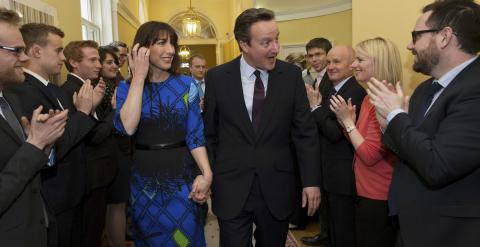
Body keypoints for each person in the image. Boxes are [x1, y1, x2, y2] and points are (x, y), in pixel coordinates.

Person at [203, 8, 321, 246]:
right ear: (244, 44)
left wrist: (311, 181)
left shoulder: (291, 76)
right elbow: (210, 133)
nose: (276, 48)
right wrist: (211, 177)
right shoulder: (217, 78)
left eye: (276, 39)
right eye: (266, 42)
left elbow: (304, 133)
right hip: (231, 186)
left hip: (276, 186)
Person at [367, 1, 480, 246]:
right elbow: (413, 150)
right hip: (411, 224)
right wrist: (389, 125)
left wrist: (396, 116)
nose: (410, 45)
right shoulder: (424, 89)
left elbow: (438, 165)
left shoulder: (475, 89)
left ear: (444, 37)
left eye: (416, 36)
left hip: (450, 232)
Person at [114, 21, 212, 246]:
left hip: (182, 179)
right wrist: (138, 77)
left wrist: (207, 174)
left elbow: (195, 134)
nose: (170, 50)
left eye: (173, 44)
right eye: (161, 43)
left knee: (184, 238)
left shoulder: (187, 85)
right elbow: (127, 127)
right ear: (142, 48)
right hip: (145, 182)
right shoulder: (126, 88)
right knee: (151, 239)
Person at [8, 23, 98, 247]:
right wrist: (84, 112)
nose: (63, 57)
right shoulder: (22, 91)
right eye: (58, 50)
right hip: (55, 193)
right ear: (37, 51)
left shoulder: (53, 88)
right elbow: (57, 144)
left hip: (73, 190)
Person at [0, 8, 68, 246]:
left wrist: (44, 144)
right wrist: (34, 145)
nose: (24, 57)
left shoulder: (10, 99)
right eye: (16, 50)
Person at [329, 37, 401, 247]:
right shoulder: (371, 97)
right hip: (366, 190)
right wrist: (348, 123)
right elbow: (360, 143)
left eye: (359, 59)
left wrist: (346, 122)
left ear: (378, 62)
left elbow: (369, 155)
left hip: (378, 195)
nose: (353, 65)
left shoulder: (384, 99)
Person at [305, 45, 366, 247]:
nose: (330, 66)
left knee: (343, 231)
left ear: (351, 65)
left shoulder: (354, 91)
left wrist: (315, 107)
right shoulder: (333, 88)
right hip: (330, 171)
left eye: (336, 62)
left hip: (343, 174)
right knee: (332, 229)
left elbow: (334, 133)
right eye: (329, 61)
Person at [62, 40, 113, 247]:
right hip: (89, 174)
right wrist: (114, 111)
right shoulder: (71, 91)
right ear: (74, 63)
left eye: (98, 60)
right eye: (92, 60)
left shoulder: (88, 87)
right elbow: (93, 136)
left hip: (96, 174)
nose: (99, 65)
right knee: (89, 233)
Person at [96, 45, 130, 247]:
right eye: (109, 62)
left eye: (115, 62)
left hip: (122, 148)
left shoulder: (117, 83)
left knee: (119, 203)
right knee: (116, 203)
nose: (115, 66)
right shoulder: (100, 88)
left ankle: (118, 240)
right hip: (112, 149)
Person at [300, 37, 333, 247]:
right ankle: (324, 232)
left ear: (328, 55)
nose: (314, 59)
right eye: (310, 56)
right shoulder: (312, 79)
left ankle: (327, 234)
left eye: (319, 54)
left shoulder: (332, 78)